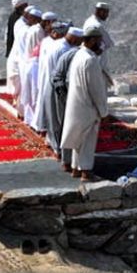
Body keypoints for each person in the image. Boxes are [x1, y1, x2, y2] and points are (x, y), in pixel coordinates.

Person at [61, 27, 108, 181]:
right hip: (87, 106)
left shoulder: (79, 55)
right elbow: (96, 89)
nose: (100, 44)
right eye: (99, 41)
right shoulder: (90, 60)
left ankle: (76, 168)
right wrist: (103, 111)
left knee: (78, 139)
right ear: (93, 40)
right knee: (87, 140)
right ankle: (86, 172)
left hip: (76, 103)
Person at [38, 24, 83, 164]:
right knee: (59, 120)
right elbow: (61, 75)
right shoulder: (64, 50)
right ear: (75, 39)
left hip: (50, 84)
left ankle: (53, 144)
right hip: (57, 88)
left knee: (53, 119)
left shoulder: (56, 44)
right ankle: (60, 151)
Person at [50, 29, 83, 171]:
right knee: (67, 128)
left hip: (79, 100)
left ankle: (76, 162)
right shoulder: (70, 55)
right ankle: (68, 161)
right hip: (67, 98)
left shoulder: (86, 56)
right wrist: (66, 96)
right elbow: (57, 77)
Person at [7, 4, 37, 117]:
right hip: (22, 61)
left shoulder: (25, 26)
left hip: (21, 61)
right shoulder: (26, 29)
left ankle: (22, 113)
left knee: (23, 90)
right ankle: (23, 113)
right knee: (24, 90)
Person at [83, 2, 114, 85]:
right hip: (98, 64)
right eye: (106, 13)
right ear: (100, 11)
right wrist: (101, 48)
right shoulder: (97, 25)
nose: (107, 15)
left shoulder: (88, 21)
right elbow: (108, 43)